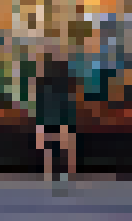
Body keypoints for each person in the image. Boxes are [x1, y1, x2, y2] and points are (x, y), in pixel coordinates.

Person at [35, 48, 80, 189]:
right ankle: (65, 174)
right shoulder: (63, 81)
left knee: (53, 147)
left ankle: (53, 175)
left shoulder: (44, 82)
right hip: (59, 117)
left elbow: (41, 101)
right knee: (63, 146)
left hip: (53, 117)